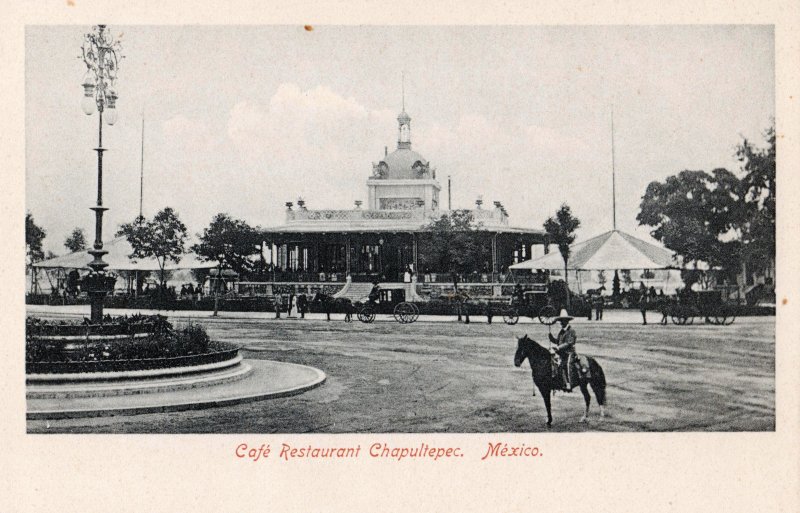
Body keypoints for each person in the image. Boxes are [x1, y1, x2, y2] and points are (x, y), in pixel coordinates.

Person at [548, 309, 578, 391]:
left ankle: (569, 384)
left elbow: (568, 343)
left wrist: (558, 347)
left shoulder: (571, 331)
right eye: (561, 321)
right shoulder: (561, 331)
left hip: (569, 353)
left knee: (567, 365)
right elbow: (558, 341)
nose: (561, 323)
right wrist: (551, 338)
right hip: (562, 353)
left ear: (567, 321)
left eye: (563, 321)